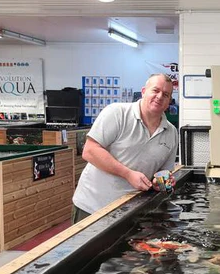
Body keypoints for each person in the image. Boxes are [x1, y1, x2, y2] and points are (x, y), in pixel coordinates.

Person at [72, 73, 178, 224]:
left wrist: (159, 183)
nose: (160, 96)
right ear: (143, 91)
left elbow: (163, 172)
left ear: (169, 102)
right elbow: (90, 151)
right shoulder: (117, 113)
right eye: (155, 90)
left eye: (166, 94)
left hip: (132, 211)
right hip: (93, 208)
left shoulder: (171, 132)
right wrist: (127, 174)